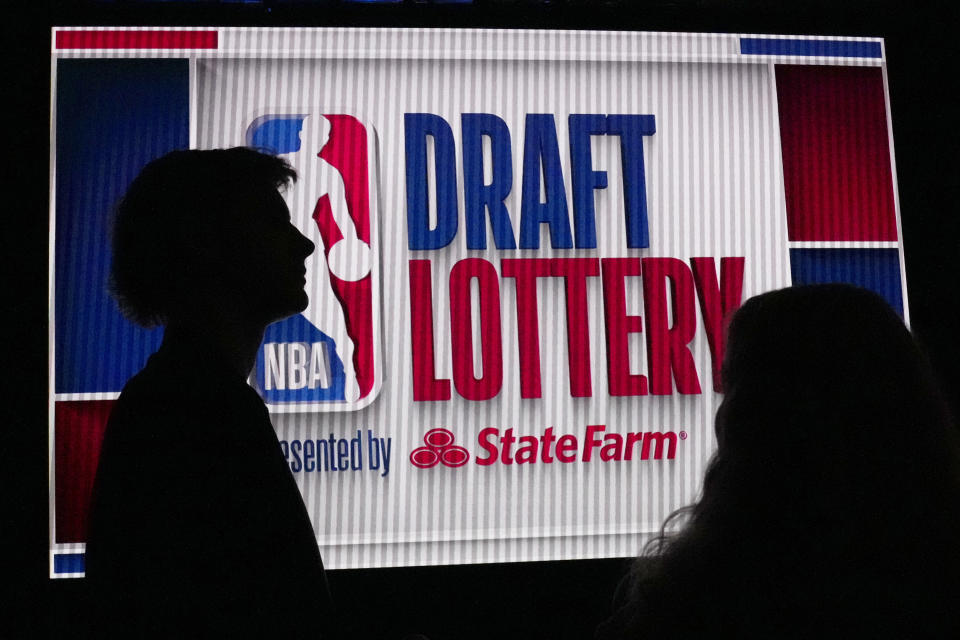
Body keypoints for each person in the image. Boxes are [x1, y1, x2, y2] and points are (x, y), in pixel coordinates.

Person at [596, 284, 960, 638]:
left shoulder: (712, 598)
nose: (721, 414)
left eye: (732, 386)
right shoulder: (925, 571)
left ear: (756, 417)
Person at [85, 148, 333, 637]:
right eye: (271, 223)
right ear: (203, 243)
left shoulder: (173, 401)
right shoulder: (200, 416)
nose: (304, 245)